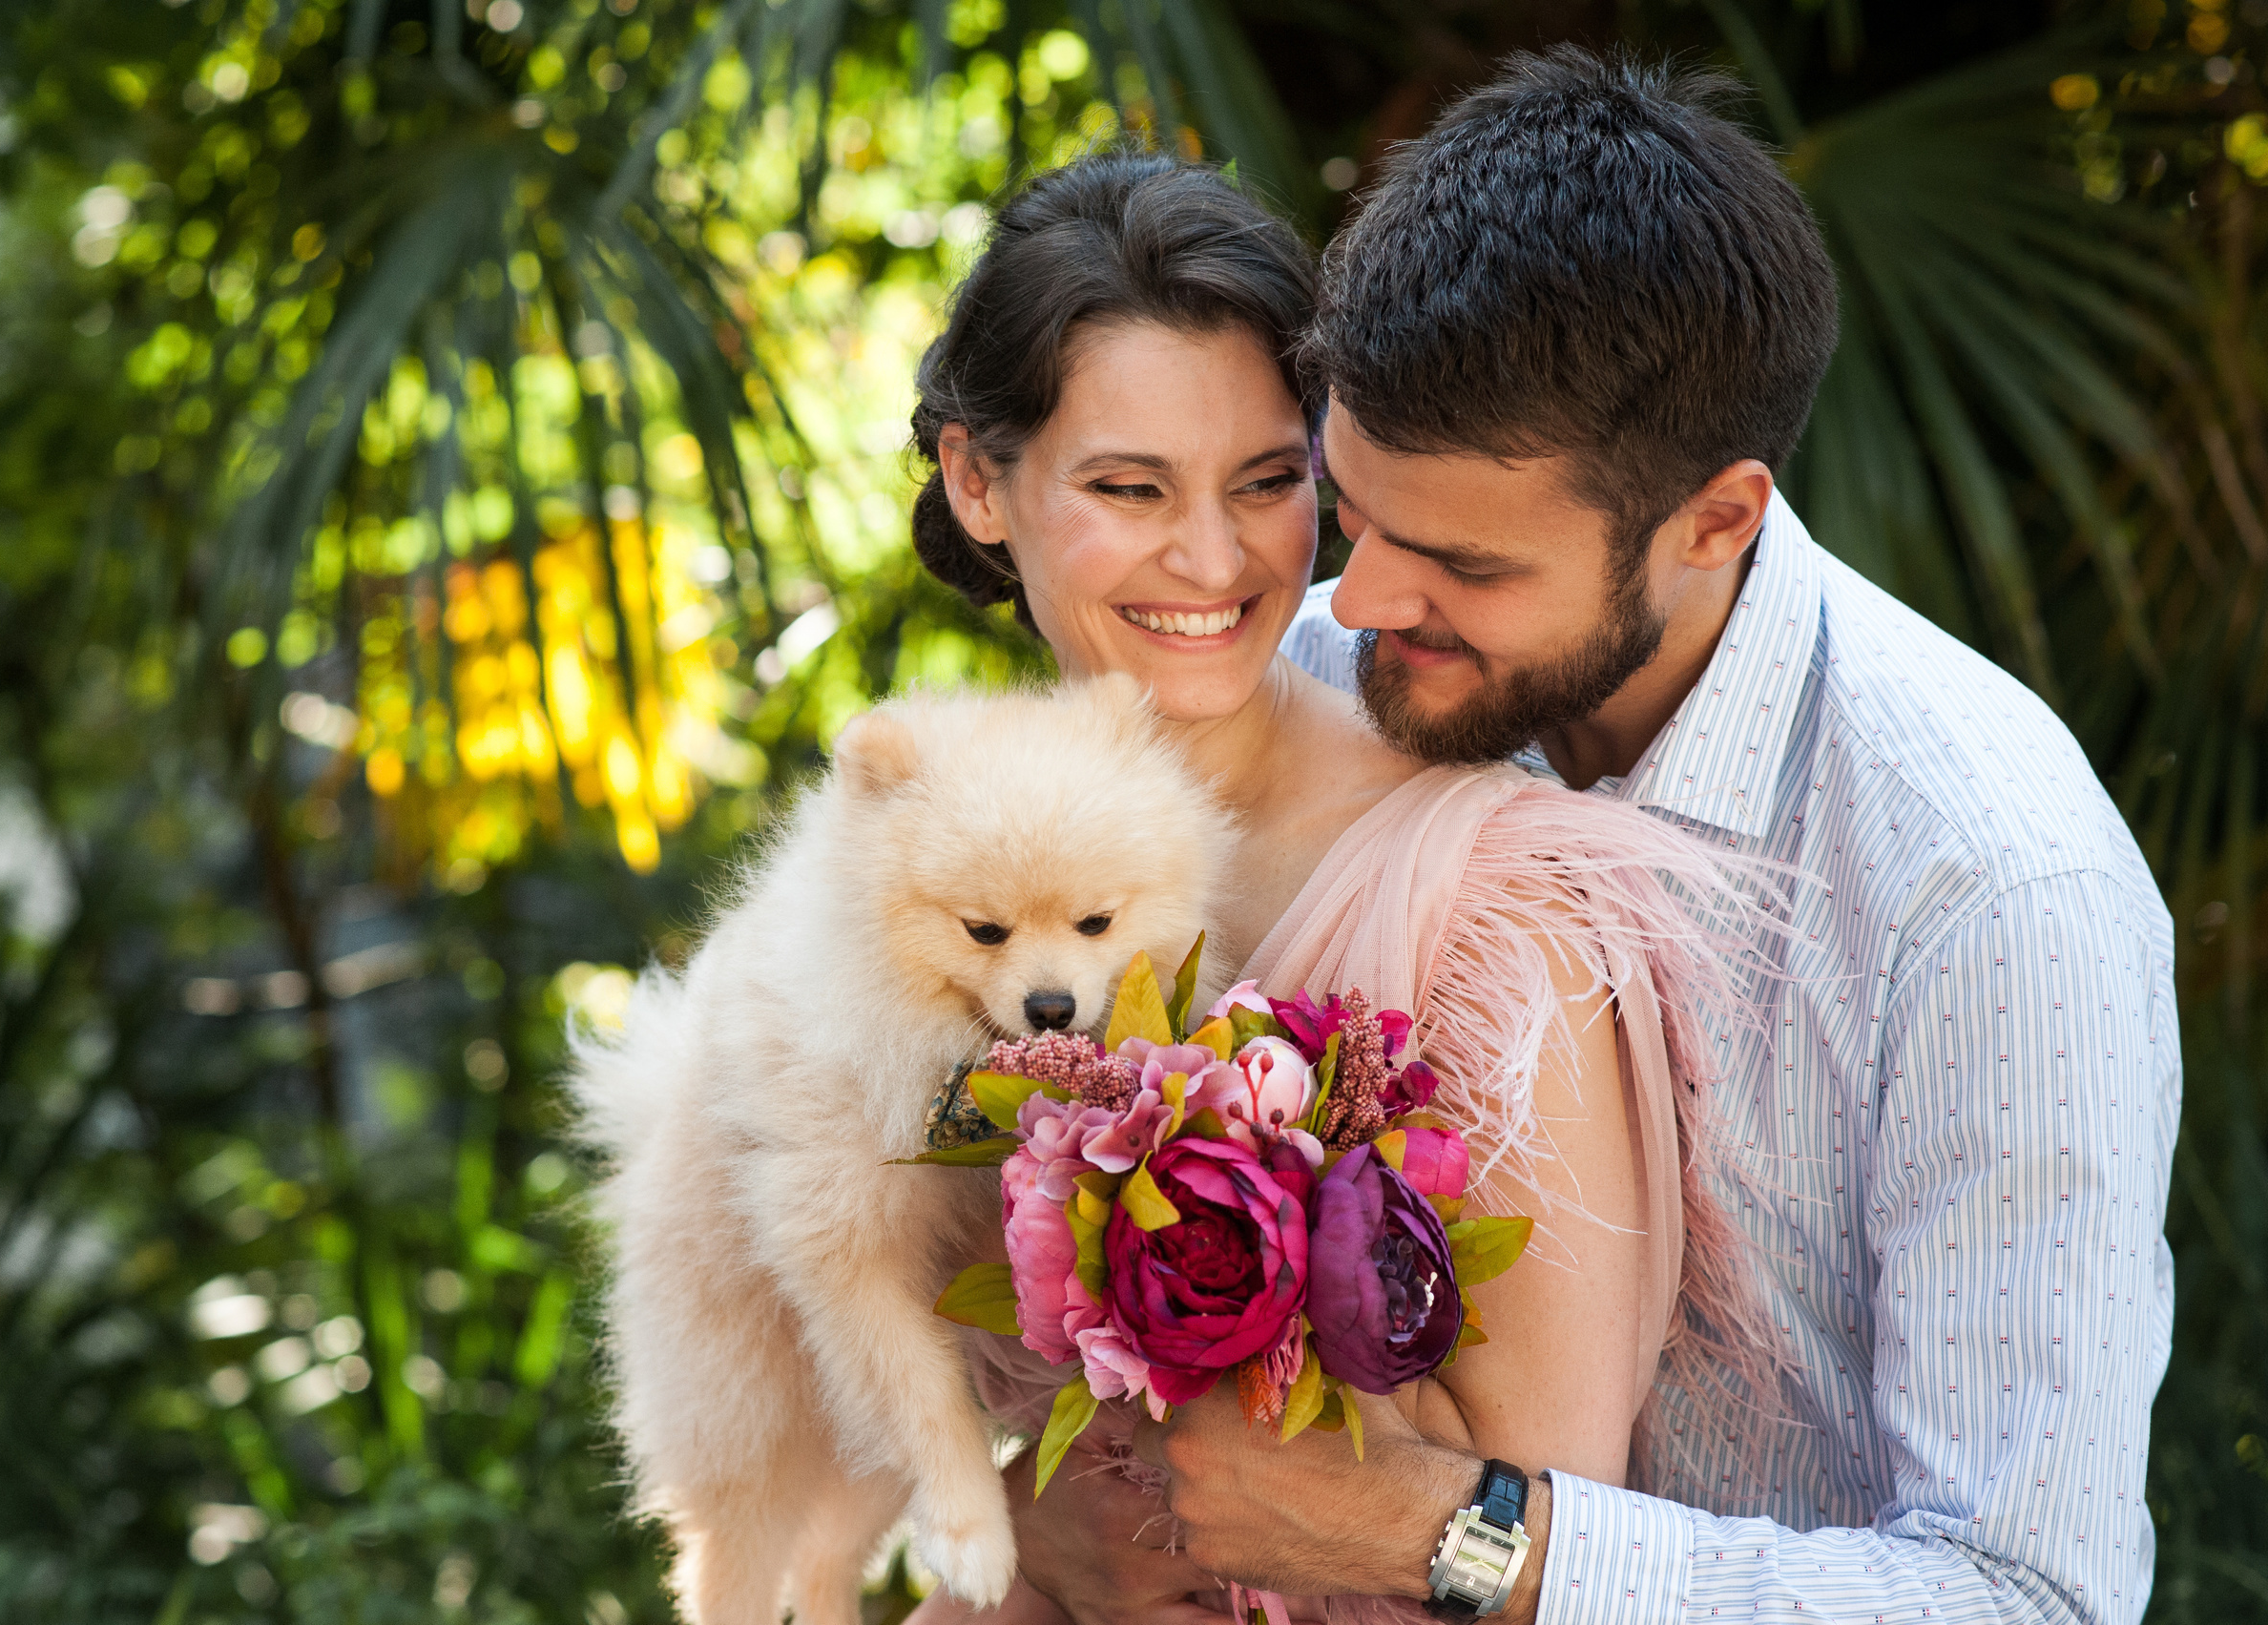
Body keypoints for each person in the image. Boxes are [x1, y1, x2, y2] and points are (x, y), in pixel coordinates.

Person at [1113, 48, 2178, 1625]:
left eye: (1467, 563)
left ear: (1715, 521)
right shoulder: (1325, 684)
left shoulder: (1992, 889)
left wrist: (1453, 1536)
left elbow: (2031, 1595)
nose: (1363, 598)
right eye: (1354, 509)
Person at [901, 145, 1794, 1625]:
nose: (1213, 559)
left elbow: (1557, 1510)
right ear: (977, 483)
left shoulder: (1495, 912)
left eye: (1269, 483)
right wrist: (1027, 1536)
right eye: (1129, 486)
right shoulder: (947, 887)